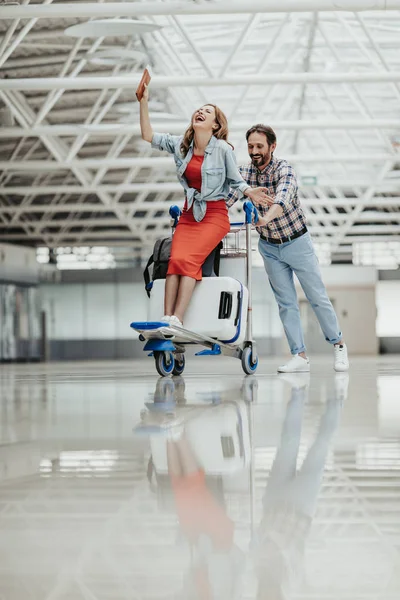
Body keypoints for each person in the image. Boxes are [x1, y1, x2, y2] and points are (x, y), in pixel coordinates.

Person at [139, 87, 270, 327]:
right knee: (175, 260)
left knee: (189, 262)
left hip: (214, 217)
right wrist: (143, 101)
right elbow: (148, 135)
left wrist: (250, 192)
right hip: (189, 216)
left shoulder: (222, 149)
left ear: (215, 125)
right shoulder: (181, 145)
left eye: (207, 111)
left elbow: (236, 180)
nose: (200, 111)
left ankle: (178, 318)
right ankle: (166, 319)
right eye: (199, 109)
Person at [227, 124, 349, 373]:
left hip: (297, 243)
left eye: (260, 146)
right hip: (270, 248)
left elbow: (281, 200)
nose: (254, 151)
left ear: (273, 146)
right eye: (250, 146)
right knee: (286, 303)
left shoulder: (285, 170)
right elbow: (227, 197)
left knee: (317, 297)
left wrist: (263, 219)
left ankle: (338, 345)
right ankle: (299, 356)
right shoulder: (244, 174)